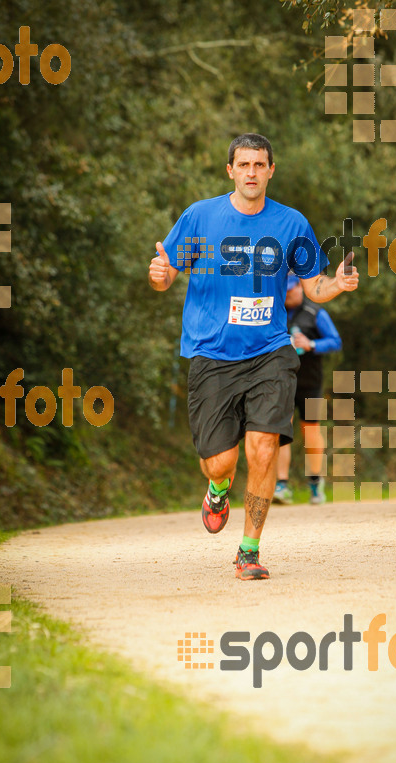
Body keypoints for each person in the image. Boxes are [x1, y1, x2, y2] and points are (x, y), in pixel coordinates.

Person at [148, 133, 359, 580]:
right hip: (212, 352)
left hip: (270, 351)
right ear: (230, 170)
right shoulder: (200, 217)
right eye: (243, 165)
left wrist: (335, 285)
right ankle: (219, 487)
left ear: (270, 171)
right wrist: (161, 276)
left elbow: (312, 284)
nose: (251, 173)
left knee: (263, 447)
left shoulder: (291, 224)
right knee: (220, 461)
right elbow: (166, 275)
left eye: (259, 165)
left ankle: (249, 551)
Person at [273, 274, 342, 505]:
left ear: (301, 289)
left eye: (291, 290)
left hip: (310, 384)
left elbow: (335, 341)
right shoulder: (275, 313)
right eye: (285, 291)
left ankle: (315, 483)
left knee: (311, 434)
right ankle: (281, 485)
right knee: (282, 433)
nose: (288, 294)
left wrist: (311, 344)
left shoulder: (316, 313)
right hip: (283, 384)